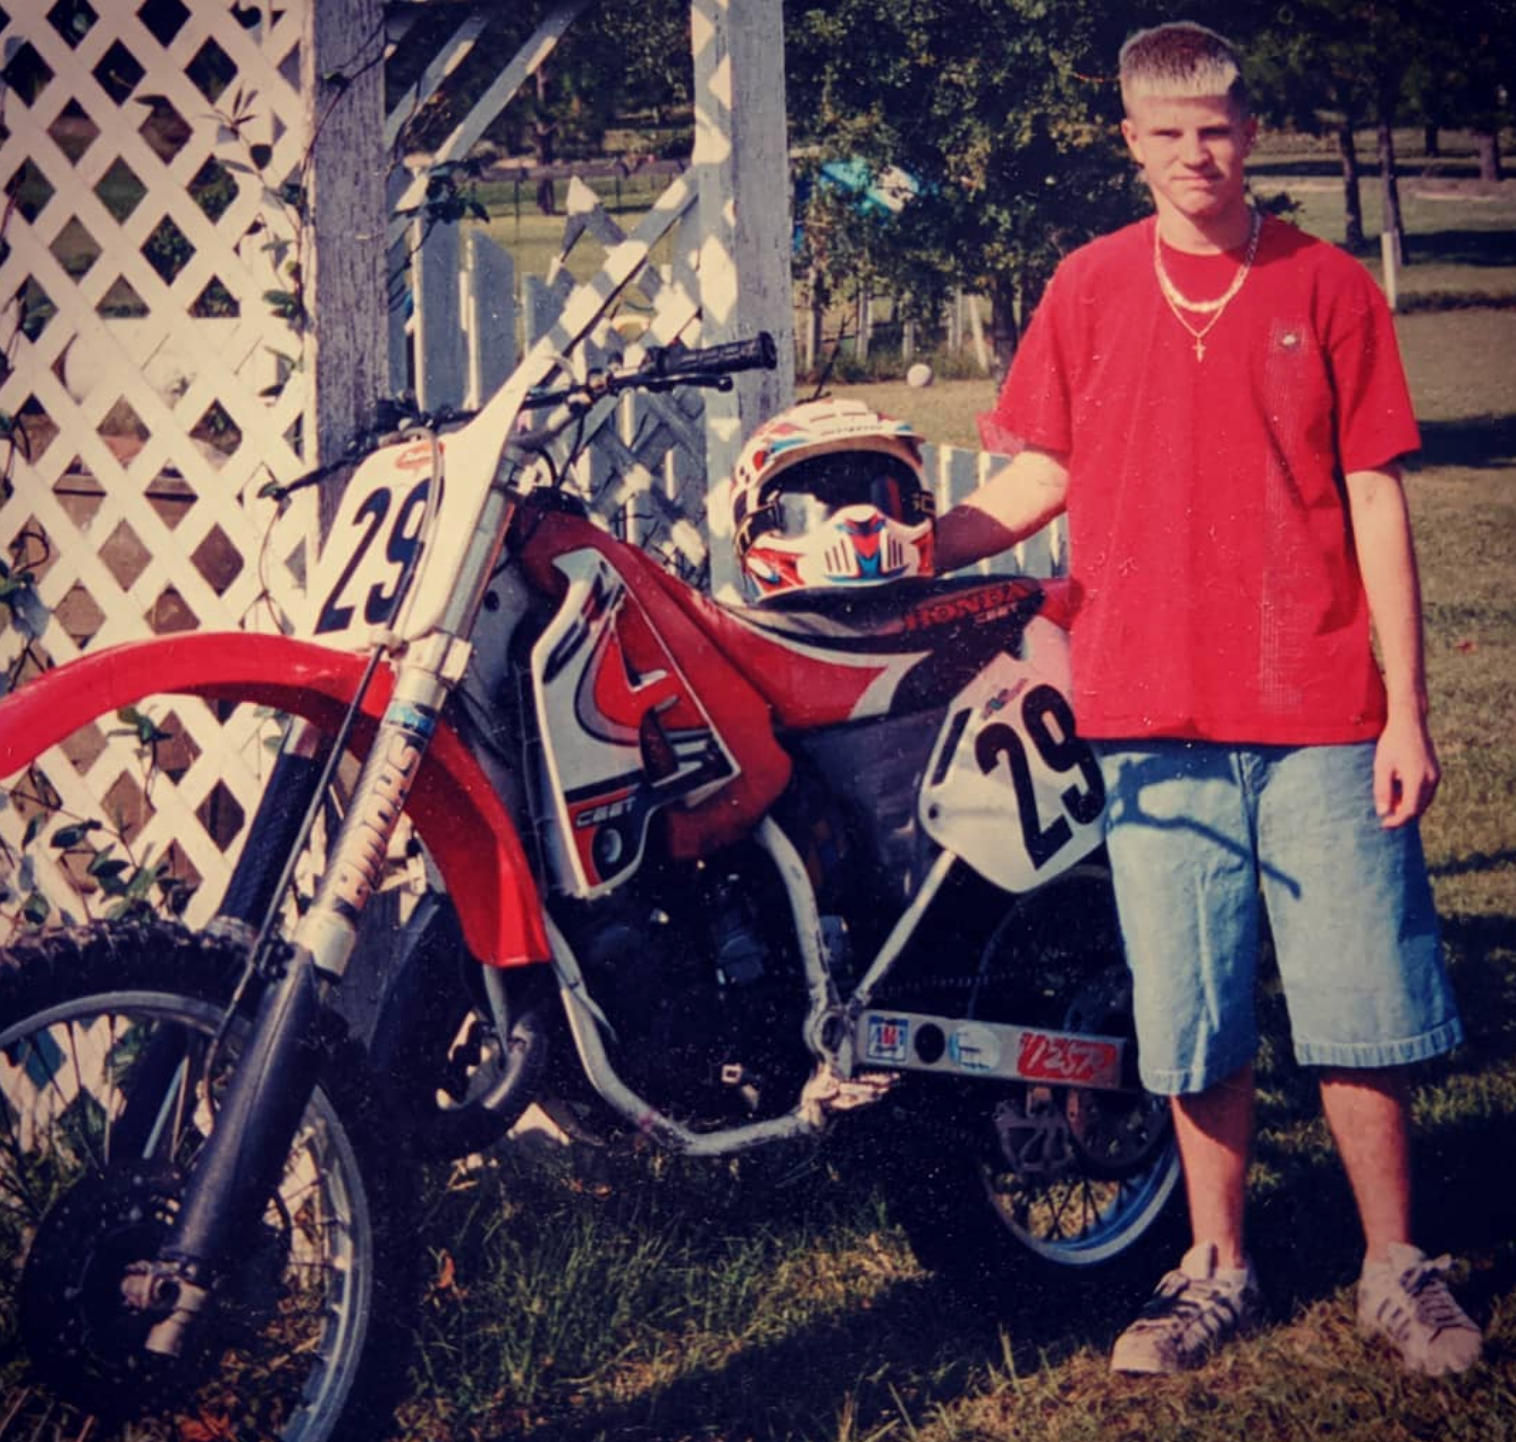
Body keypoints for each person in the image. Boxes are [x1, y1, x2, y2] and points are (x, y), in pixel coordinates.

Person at [933, 20, 1481, 1377]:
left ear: (1250, 130)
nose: (1197, 152)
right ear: (1132, 142)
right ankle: (1215, 1263)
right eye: (1167, 132)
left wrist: (1404, 707)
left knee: (1362, 992)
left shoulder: (1329, 285)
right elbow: (1039, 476)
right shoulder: (1088, 286)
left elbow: (1374, 497)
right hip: (1151, 716)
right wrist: (925, 543)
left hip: (1321, 708)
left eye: (1219, 128)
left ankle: (1395, 1264)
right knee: (1189, 1001)